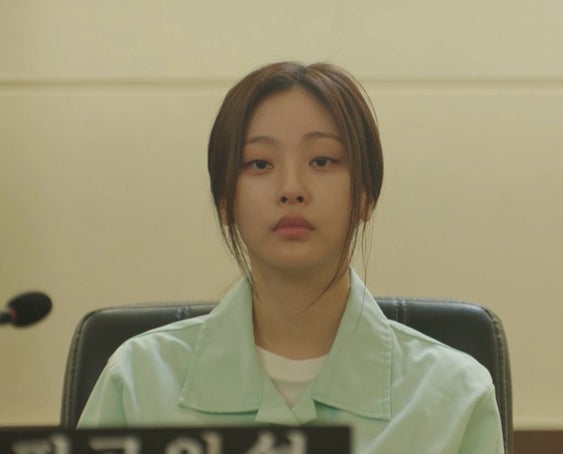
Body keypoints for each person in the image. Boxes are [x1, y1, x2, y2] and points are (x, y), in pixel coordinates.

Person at [78, 61, 504, 453]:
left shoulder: (455, 394)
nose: (291, 189)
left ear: (365, 195)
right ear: (225, 201)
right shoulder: (137, 380)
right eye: (259, 164)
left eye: (322, 160)